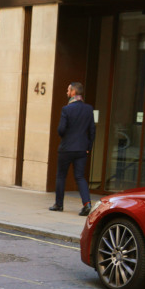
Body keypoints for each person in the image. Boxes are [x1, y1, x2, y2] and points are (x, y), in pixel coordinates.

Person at [50, 82, 96, 216]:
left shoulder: (66, 109)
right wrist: (89, 147)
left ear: (73, 92)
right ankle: (87, 204)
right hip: (82, 148)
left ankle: (59, 204)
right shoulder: (88, 109)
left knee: (61, 176)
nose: (66, 92)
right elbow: (92, 130)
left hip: (66, 148)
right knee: (80, 177)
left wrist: (65, 136)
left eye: (68, 90)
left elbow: (61, 129)